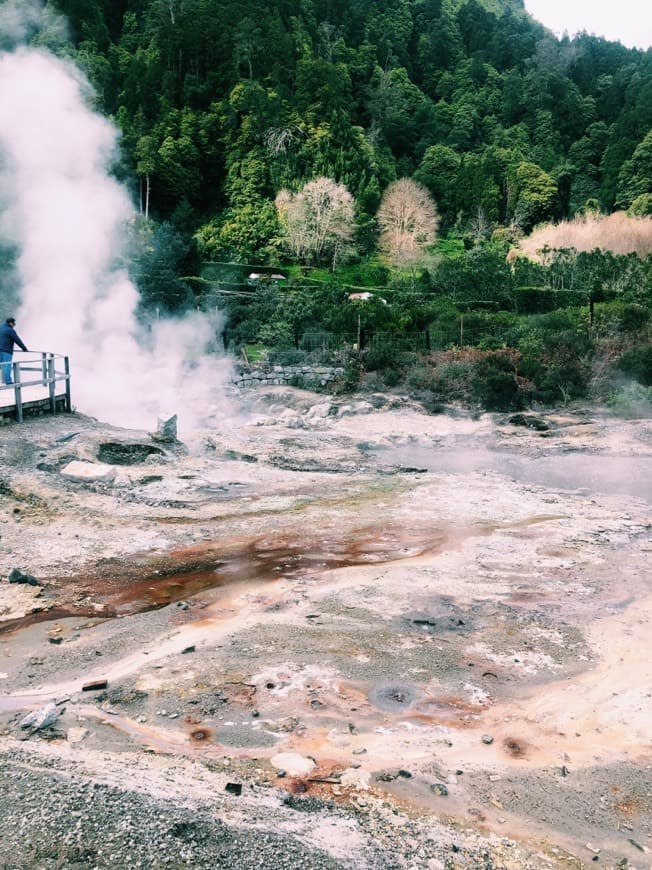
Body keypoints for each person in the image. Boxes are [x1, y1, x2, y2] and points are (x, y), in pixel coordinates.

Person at [0, 317, 28, 385]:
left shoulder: (1, 327)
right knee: (7, 365)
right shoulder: (10, 330)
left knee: (2, 365)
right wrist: (24, 348)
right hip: (6, 350)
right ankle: (8, 381)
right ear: (10, 323)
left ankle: (3, 380)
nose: (14, 325)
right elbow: (17, 340)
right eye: (14, 323)